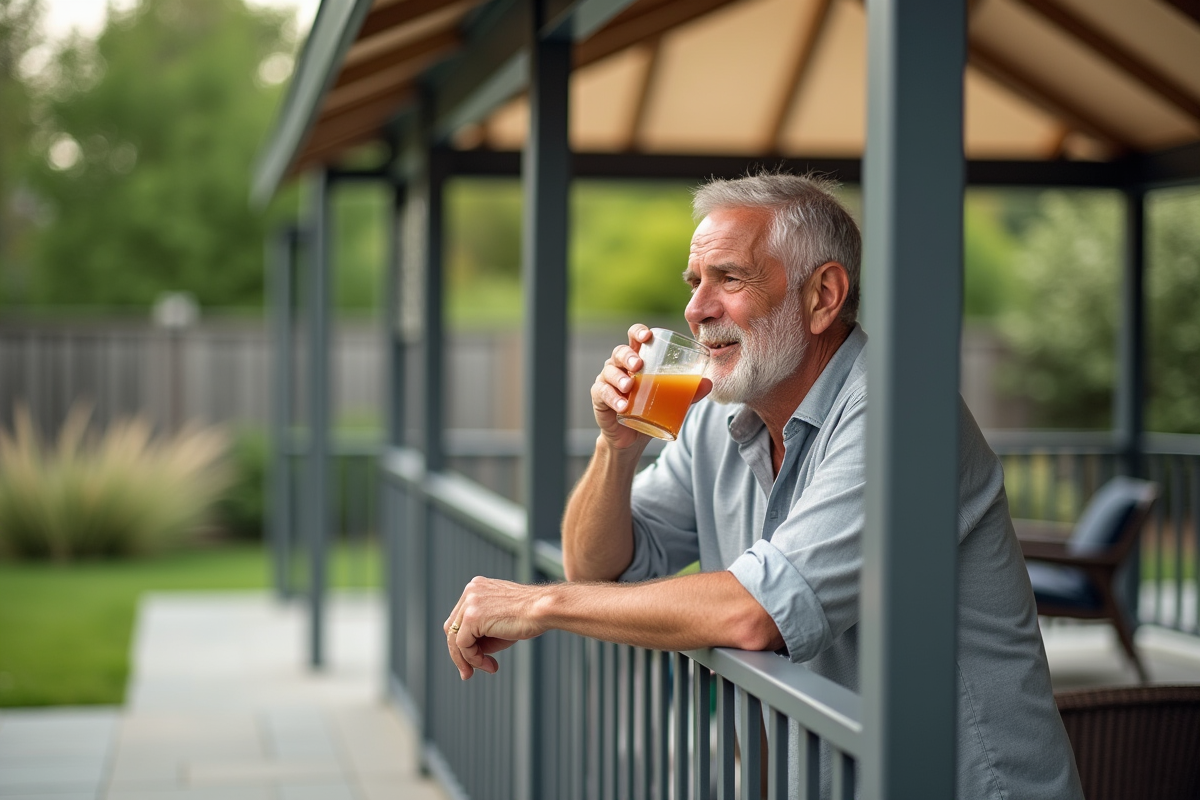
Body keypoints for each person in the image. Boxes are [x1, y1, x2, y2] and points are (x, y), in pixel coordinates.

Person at [443, 172, 1083, 799]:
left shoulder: (901, 412)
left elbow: (755, 612)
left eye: (729, 278)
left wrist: (541, 606)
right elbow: (595, 569)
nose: (696, 308)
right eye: (695, 282)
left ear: (822, 296)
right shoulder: (716, 417)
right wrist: (618, 447)